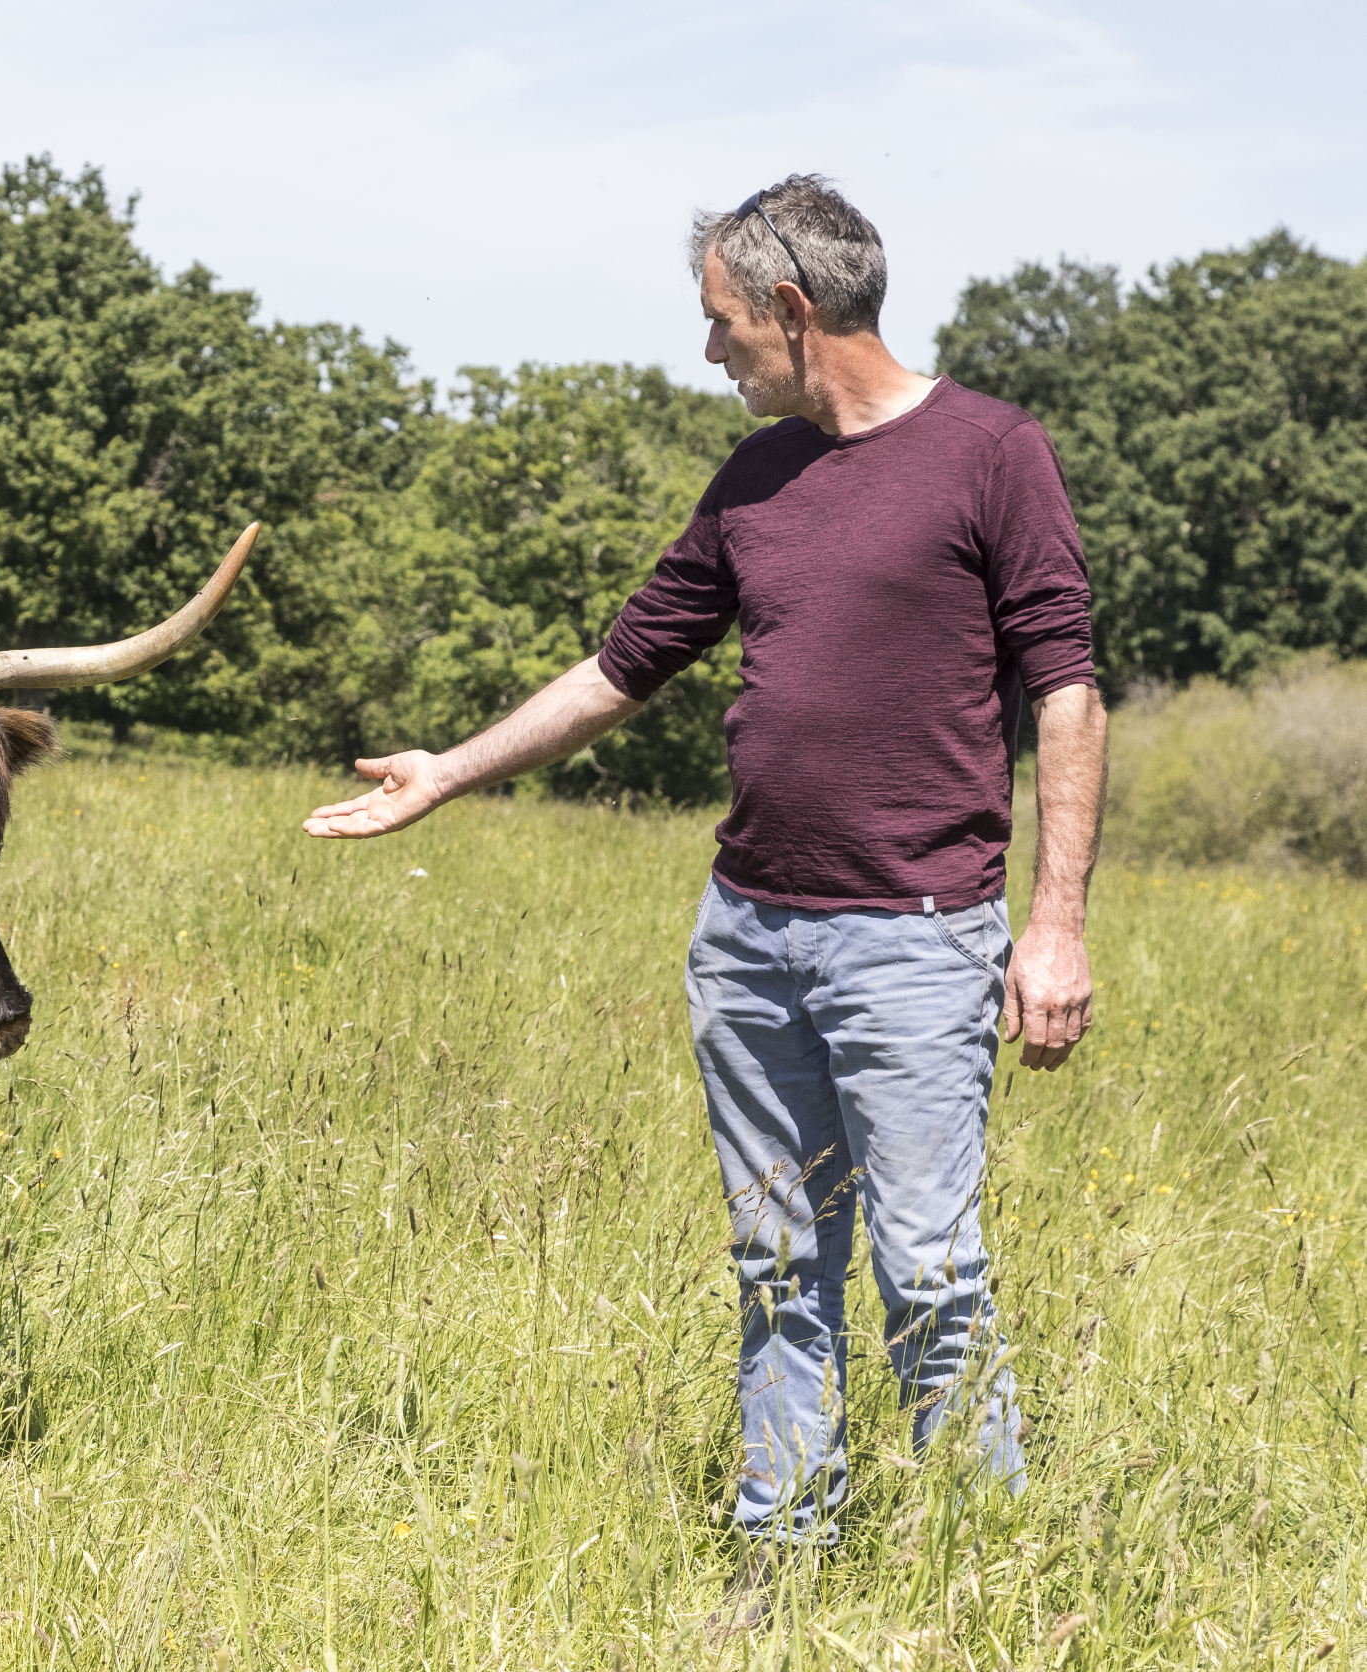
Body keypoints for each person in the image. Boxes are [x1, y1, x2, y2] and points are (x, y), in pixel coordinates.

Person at [302, 174, 1104, 1627]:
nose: (711, 354)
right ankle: (779, 1560)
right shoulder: (752, 485)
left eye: (723, 325)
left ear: (793, 312)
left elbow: (1066, 686)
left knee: (929, 1275)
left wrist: (1052, 924)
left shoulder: (995, 454)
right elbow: (620, 669)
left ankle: (987, 1578)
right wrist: (450, 773)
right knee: (780, 1260)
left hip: (916, 946)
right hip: (748, 941)